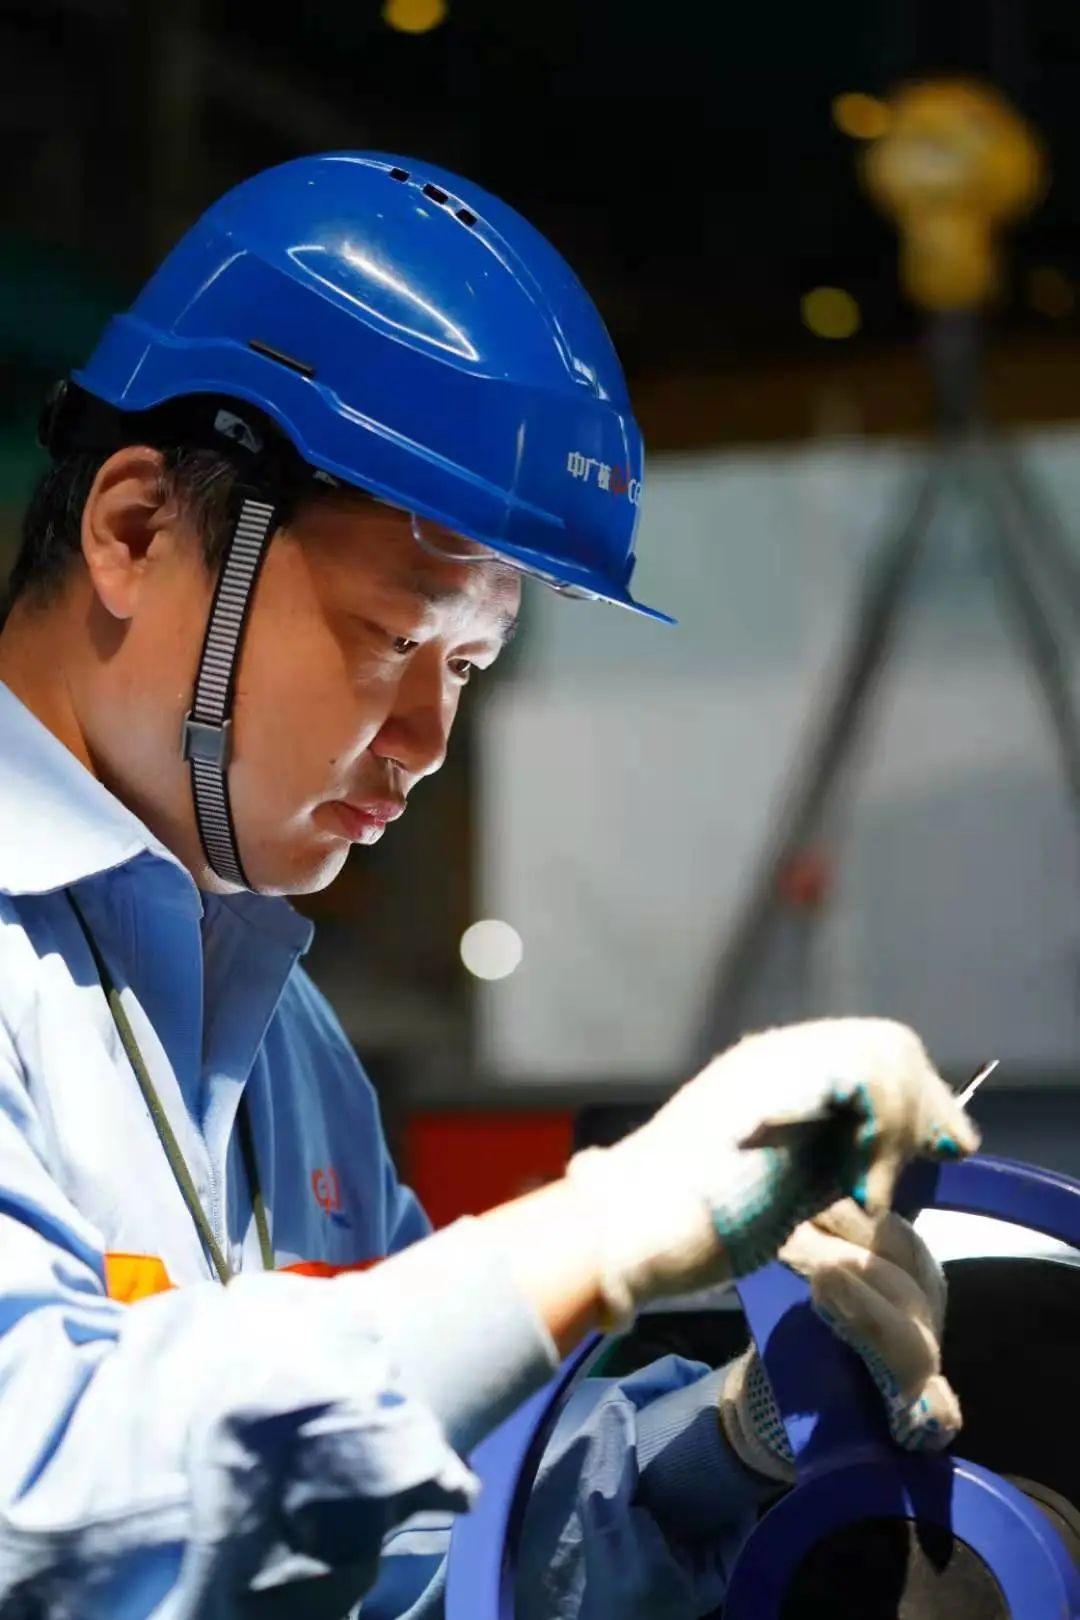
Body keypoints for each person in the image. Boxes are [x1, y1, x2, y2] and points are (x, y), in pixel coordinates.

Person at [0, 151, 978, 1620]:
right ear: (135, 529)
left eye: (468, 667)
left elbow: (425, 1533)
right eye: (395, 638)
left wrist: (736, 1445)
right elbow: (36, 1505)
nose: (427, 739)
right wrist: (590, 1233)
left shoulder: (280, 1037)